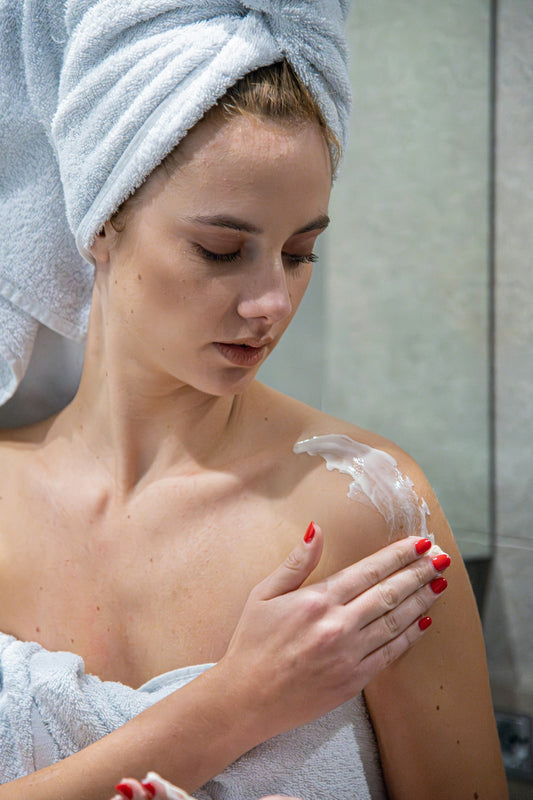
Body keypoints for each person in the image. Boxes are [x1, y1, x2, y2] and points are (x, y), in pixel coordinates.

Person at [0, 3, 506, 799]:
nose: (272, 300)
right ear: (101, 222)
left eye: (300, 252)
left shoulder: (363, 507)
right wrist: (235, 706)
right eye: (221, 250)